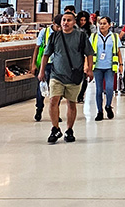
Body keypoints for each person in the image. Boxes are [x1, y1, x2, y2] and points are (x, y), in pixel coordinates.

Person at [38, 11, 94, 144]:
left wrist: (89, 69)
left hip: (74, 76)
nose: (65, 23)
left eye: (69, 20)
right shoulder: (55, 36)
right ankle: (55, 128)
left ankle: (69, 130)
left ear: (74, 22)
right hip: (56, 75)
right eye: (63, 20)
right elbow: (46, 55)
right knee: (53, 100)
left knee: (71, 103)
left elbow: (89, 53)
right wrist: (41, 72)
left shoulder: (81, 37)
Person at [91, 16, 122, 121]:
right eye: (100, 23)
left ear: (109, 25)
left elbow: (118, 51)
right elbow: (89, 52)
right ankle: (99, 111)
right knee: (99, 90)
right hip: (97, 67)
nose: (102, 26)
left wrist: (121, 65)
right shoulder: (94, 37)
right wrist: (87, 65)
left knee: (109, 88)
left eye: (104, 23)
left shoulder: (114, 37)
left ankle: (108, 106)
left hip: (109, 66)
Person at [31, 15, 61, 121]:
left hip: (59, 65)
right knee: (42, 88)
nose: (59, 28)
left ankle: (56, 112)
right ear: (53, 23)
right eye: (57, 26)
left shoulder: (64, 33)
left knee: (58, 89)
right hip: (46, 64)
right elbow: (37, 48)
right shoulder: (45, 32)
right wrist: (33, 64)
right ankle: (39, 109)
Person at [75, 11, 93, 103]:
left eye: (84, 20)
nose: (82, 22)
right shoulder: (74, 28)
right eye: (81, 20)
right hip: (75, 54)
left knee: (84, 75)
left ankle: (81, 95)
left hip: (86, 53)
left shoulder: (90, 29)